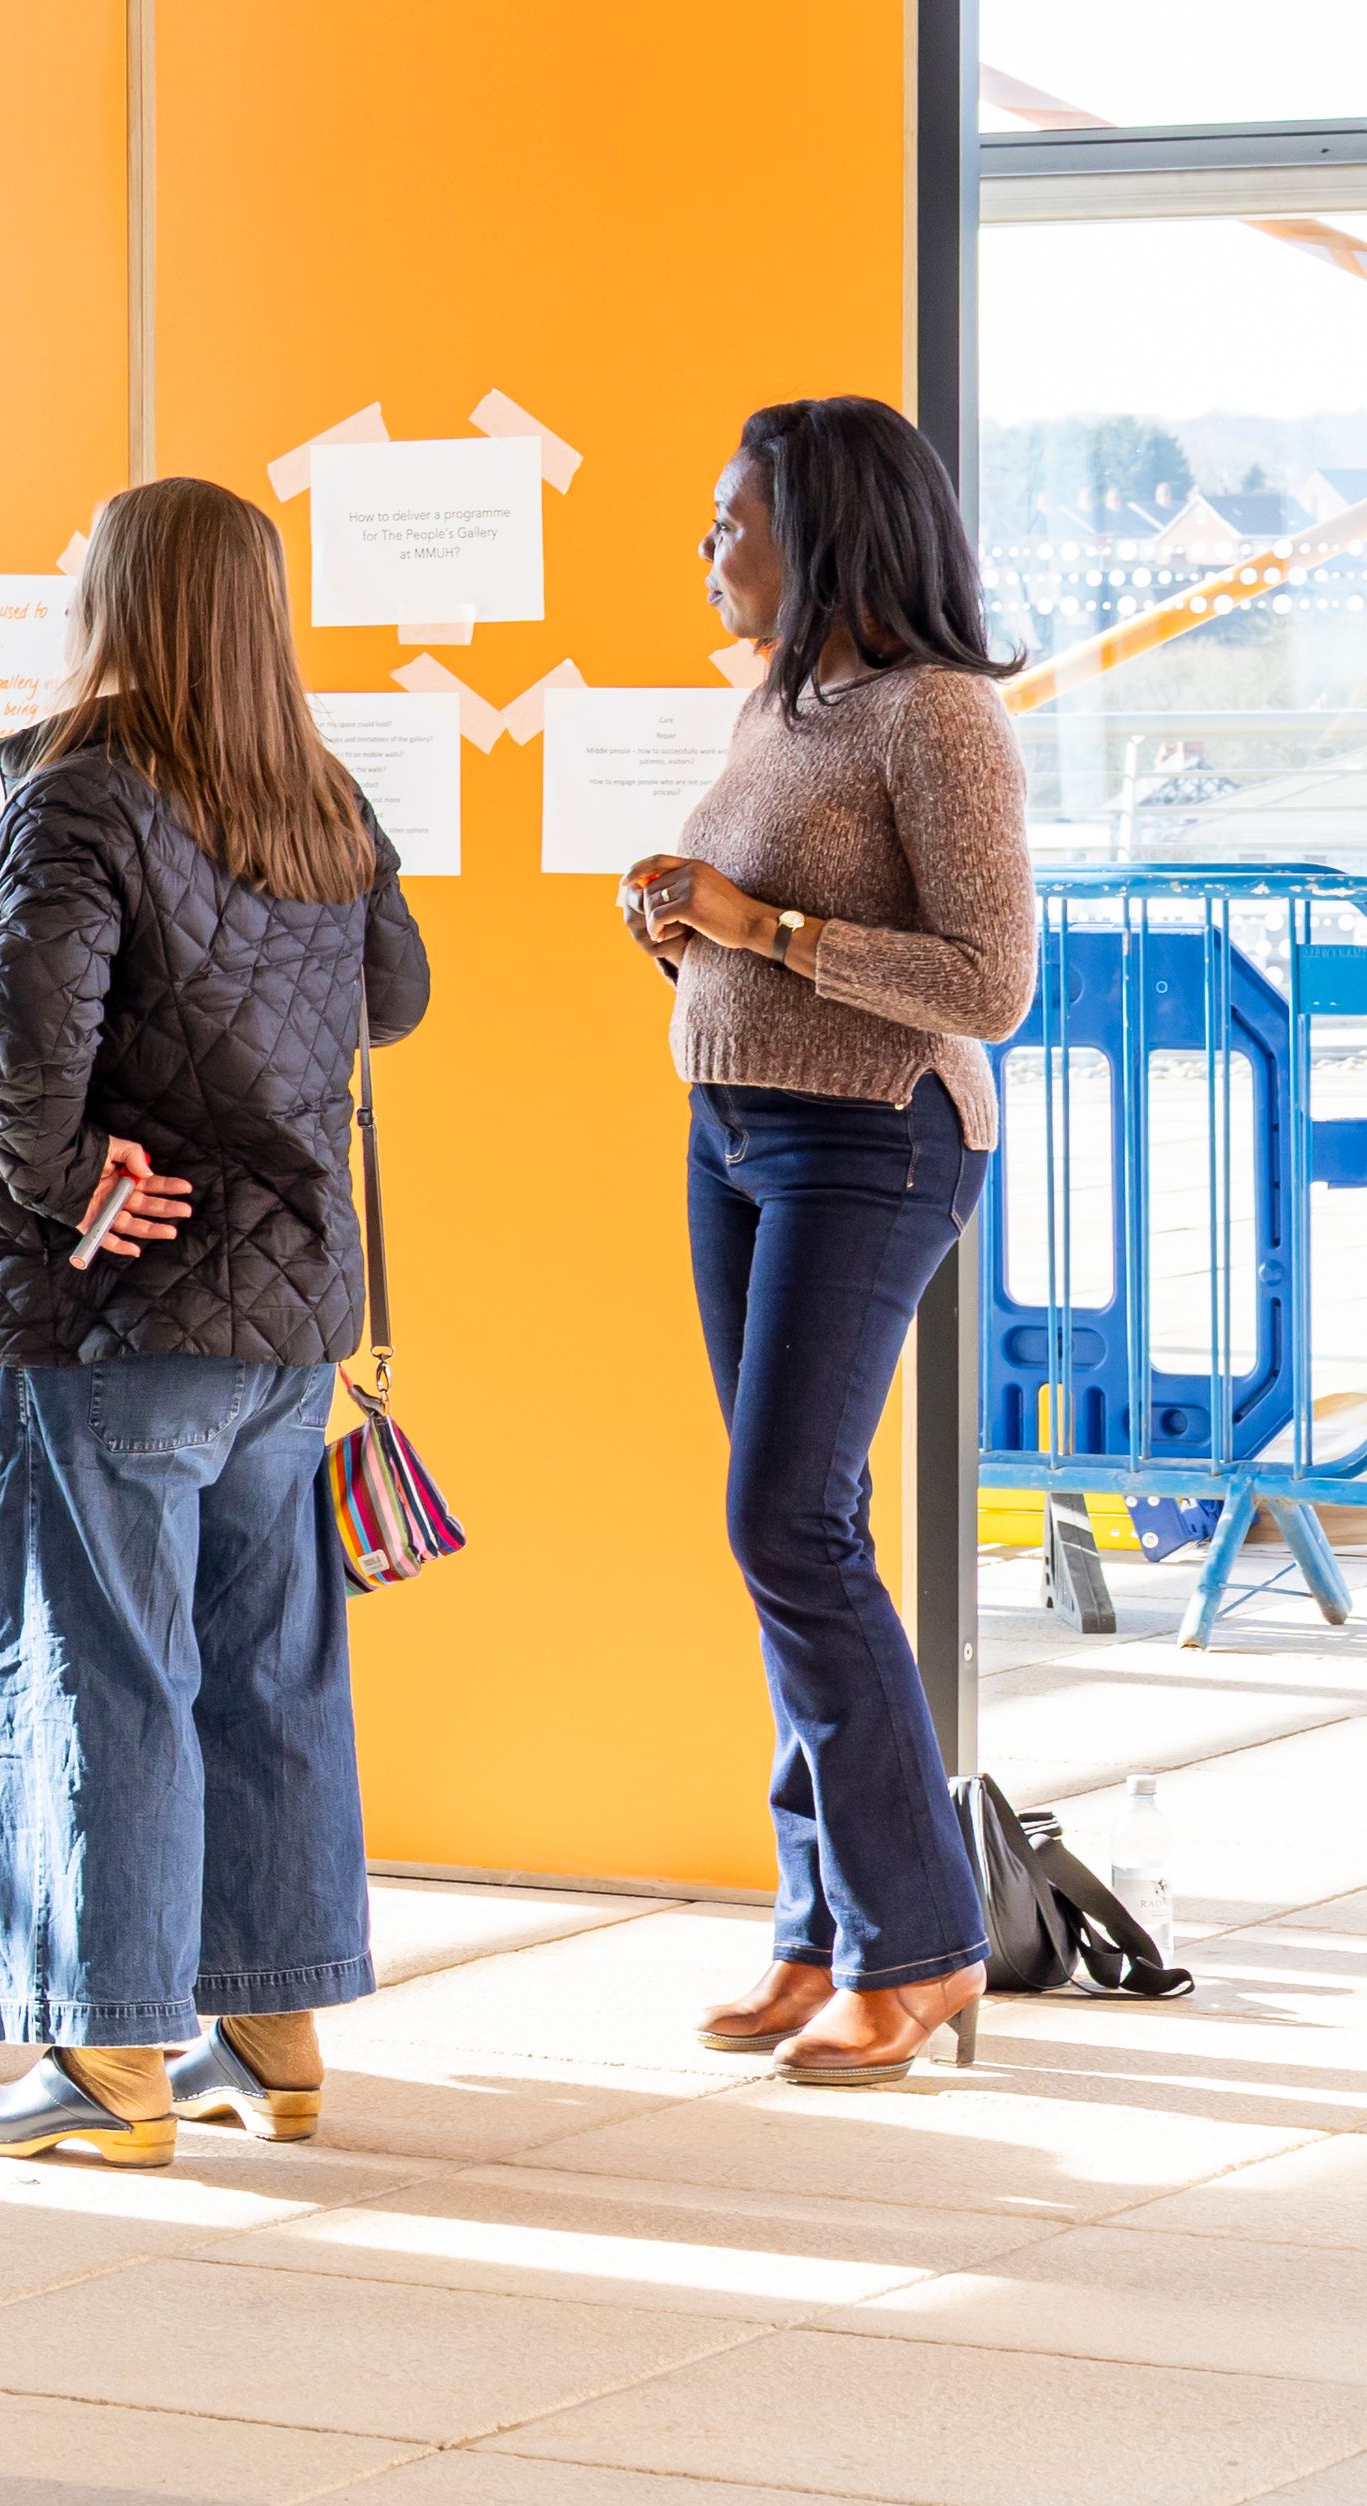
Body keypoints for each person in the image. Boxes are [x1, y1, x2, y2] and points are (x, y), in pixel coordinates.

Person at [0, 476, 430, 2168]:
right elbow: (397, 998)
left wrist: (70, 1182)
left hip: (114, 1323)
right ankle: (267, 2040)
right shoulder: (318, 797)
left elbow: (24, 1055)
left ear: (123, 599)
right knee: (268, 1676)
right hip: (290, 1323)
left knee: (95, 1676)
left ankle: (109, 2061)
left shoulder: (80, 800)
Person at [626, 395, 1033, 2088]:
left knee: (787, 1521)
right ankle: (820, 1926)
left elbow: (989, 985)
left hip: (876, 1138)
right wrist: (683, 936)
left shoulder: (937, 718)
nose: (708, 549)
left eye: (733, 519)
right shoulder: (790, 702)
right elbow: (763, 937)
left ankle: (921, 1947)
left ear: (827, 532)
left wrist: (767, 929)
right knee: (787, 1529)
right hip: (741, 1129)